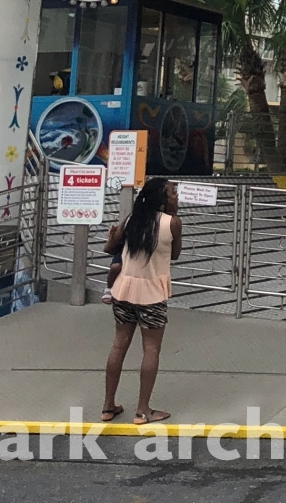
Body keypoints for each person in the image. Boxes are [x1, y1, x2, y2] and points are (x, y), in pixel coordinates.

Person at [101, 176, 182, 426]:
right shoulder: (172, 223)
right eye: (173, 192)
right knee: (151, 349)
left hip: (123, 290)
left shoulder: (130, 219)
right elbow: (175, 254)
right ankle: (143, 411)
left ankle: (108, 406)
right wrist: (171, 216)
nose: (177, 196)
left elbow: (111, 246)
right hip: (152, 294)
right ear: (162, 198)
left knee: (119, 345)